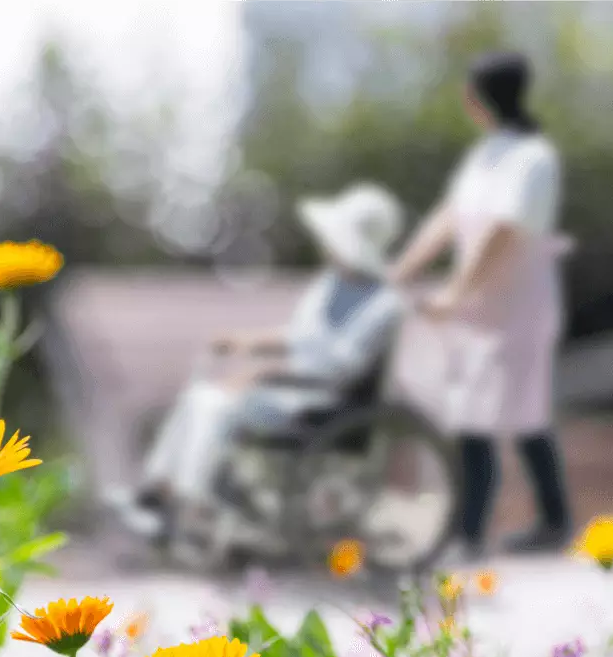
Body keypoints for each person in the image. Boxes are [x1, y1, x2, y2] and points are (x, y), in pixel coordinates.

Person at [121, 183, 407, 541]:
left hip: (319, 403)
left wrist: (265, 373)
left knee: (215, 406)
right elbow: (299, 336)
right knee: (199, 395)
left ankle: (189, 505)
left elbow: (340, 367)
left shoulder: (383, 305)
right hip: (288, 389)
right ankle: (160, 492)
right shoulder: (330, 285)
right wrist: (248, 342)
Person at [388, 50, 572, 559]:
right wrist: (400, 272)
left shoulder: (533, 157)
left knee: (507, 414)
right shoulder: (488, 154)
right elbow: (449, 218)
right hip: (481, 305)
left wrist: (454, 292)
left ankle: (479, 534)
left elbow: (502, 232)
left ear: (481, 97)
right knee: (491, 414)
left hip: (519, 304)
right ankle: (533, 524)